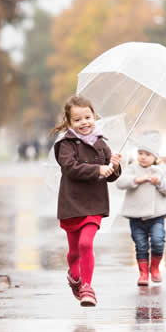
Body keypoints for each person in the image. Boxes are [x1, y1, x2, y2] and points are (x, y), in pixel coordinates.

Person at [52, 95, 122, 307]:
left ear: (94, 117)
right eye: (78, 119)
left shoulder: (101, 144)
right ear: (69, 122)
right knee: (74, 250)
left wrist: (114, 165)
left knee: (85, 243)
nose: (84, 123)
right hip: (71, 203)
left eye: (87, 117)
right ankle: (74, 277)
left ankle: (87, 287)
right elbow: (70, 168)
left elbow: (111, 176)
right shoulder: (66, 144)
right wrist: (98, 169)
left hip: (94, 203)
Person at [116, 131, 166, 286]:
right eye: (140, 153)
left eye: (147, 154)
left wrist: (160, 183)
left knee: (158, 241)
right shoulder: (133, 168)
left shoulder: (161, 169)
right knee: (140, 244)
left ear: (155, 157)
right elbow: (120, 183)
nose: (143, 157)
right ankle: (143, 273)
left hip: (157, 214)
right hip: (136, 215)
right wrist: (135, 180)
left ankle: (155, 268)